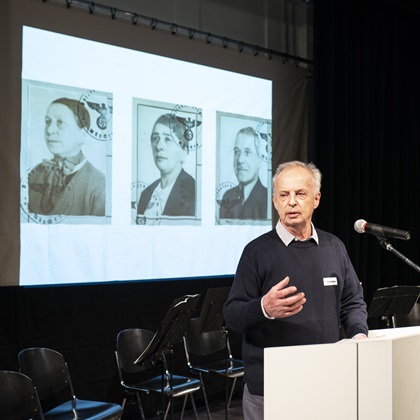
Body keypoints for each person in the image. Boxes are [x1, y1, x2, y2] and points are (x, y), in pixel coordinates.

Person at [223, 160, 368, 419]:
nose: (292, 202)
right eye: (284, 195)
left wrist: (358, 334)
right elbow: (232, 315)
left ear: (316, 198)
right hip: (270, 389)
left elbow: (352, 302)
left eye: (300, 193)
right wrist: (263, 309)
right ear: (275, 201)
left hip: (326, 381)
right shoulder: (256, 252)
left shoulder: (334, 247)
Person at [28, 97, 106, 216]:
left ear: (82, 135)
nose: (49, 130)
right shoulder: (34, 174)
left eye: (60, 123)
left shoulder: (100, 185)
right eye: (48, 122)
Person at [137, 113, 196, 218]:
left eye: (168, 139)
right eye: (155, 138)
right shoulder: (146, 194)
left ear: (184, 151)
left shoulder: (194, 192)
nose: (159, 146)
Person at [219, 127, 267, 220]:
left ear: (260, 160)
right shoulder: (227, 196)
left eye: (247, 152)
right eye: (237, 152)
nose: (240, 160)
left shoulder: (268, 199)